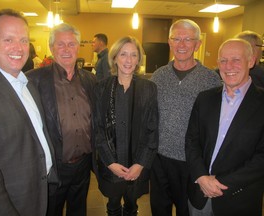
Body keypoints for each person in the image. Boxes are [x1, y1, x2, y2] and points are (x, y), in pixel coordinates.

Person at [0, 9, 58, 216]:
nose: (18, 48)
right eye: (8, 40)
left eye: (23, 40)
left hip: (39, 192)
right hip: (13, 203)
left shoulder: (27, 83)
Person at [150, 19, 222, 216]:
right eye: (176, 39)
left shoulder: (211, 80)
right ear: (169, 42)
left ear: (197, 44)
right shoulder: (158, 76)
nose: (181, 45)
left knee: (186, 211)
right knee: (159, 209)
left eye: (188, 39)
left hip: (191, 162)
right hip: (160, 159)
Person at [185, 38, 264, 216]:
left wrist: (219, 182)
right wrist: (201, 177)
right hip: (199, 194)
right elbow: (192, 140)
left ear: (250, 61)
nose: (229, 66)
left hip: (239, 198)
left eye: (236, 59)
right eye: (223, 60)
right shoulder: (205, 98)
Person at [27, 23, 96, 216]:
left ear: (78, 47)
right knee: (51, 210)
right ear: (51, 48)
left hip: (83, 165)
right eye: (60, 44)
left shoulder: (90, 80)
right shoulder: (34, 81)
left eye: (72, 44)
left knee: (78, 210)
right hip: (54, 168)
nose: (67, 49)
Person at [94, 36, 159, 216]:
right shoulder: (101, 88)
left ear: (138, 59)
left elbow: (152, 130)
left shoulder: (149, 88)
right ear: (115, 58)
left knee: (132, 205)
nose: (128, 60)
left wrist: (140, 164)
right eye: (123, 54)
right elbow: (97, 129)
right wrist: (110, 163)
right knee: (113, 204)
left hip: (137, 163)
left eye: (133, 55)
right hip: (112, 164)